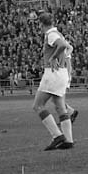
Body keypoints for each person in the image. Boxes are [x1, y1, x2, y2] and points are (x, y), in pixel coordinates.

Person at [33, 12, 78, 150]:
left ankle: (57, 135)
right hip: (62, 73)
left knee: (38, 106)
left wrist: (53, 58)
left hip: (53, 73)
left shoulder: (51, 35)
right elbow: (68, 47)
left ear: (41, 24)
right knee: (60, 107)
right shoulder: (58, 32)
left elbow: (63, 46)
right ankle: (68, 140)